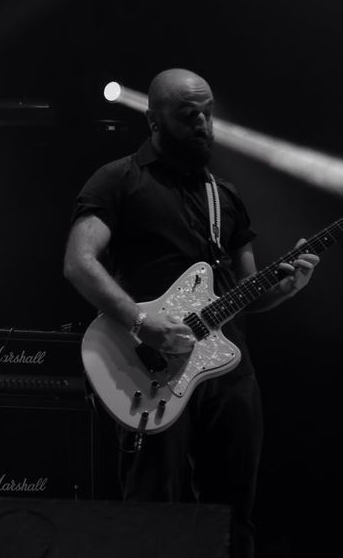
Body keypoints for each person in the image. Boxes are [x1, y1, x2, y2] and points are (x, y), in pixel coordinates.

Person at [62, 68, 320, 558]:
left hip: (228, 367)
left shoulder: (225, 195)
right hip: (151, 366)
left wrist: (285, 288)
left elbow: (248, 291)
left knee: (233, 514)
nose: (203, 124)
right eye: (188, 115)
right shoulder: (118, 179)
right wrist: (142, 323)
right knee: (157, 511)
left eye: (208, 113)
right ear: (153, 121)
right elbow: (79, 263)